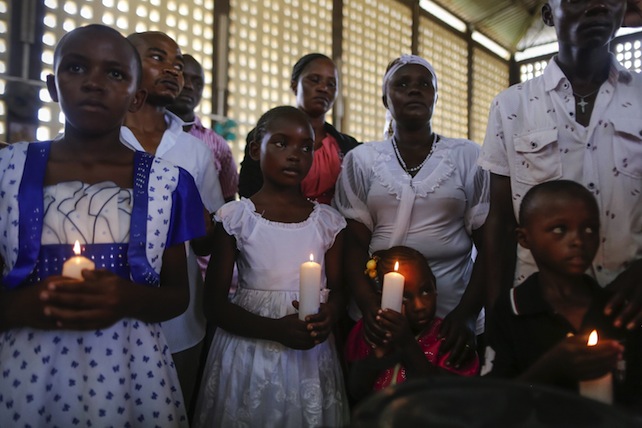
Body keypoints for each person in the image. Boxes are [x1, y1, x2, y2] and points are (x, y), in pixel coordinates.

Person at [0, 24, 206, 425]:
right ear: (52, 86)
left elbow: (178, 296)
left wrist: (126, 297)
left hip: (133, 368)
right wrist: (21, 305)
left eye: (115, 74)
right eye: (76, 68)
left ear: (136, 96)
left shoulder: (169, 182)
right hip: (28, 366)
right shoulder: (7, 171)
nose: (94, 83)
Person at [479, 0, 642, 331]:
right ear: (549, 14)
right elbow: (498, 222)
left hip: (631, 307)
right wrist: (497, 317)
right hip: (540, 314)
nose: (597, 6)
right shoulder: (512, 105)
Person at [193, 106, 349, 427]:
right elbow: (214, 305)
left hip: (311, 355)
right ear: (255, 150)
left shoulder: (329, 223)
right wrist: (275, 330)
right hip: (248, 352)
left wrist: (330, 314)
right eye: (281, 143)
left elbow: (340, 290)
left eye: (306, 147)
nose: (295, 155)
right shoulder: (236, 218)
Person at [333, 55, 489, 364]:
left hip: (451, 315)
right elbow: (353, 245)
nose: (414, 90)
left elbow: (489, 246)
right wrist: (368, 307)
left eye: (424, 84)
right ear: (385, 98)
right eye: (402, 84)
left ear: (435, 96)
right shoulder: (361, 160)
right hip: (381, 313)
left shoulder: (467, 156)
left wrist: (468, 314)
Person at [123, 31, 225, 415]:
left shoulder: (194, 149)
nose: (173, 68)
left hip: (181, 320)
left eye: (177, 63)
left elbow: (205, 243)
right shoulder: (99, 137)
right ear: (125, 65)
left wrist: (200, 218)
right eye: (158, 57)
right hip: (114, 311)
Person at [484, 180, 642, 411]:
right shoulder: (512, 310)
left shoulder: (617, 309)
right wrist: (552, 367)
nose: (578, 240)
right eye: (560, 229)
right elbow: (494, 402)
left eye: (590, 229)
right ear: (524, 239)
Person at [346, 246, 480, 402]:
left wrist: (407, 343)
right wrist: (378, 353)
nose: (419, 306)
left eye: (425, 291)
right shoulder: (370, 331)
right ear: (383, 298)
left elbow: (442, 398)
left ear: (435, 285)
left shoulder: (446, 337)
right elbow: (356, 391)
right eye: (404, 297)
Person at [238, 53, 359, 205]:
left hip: (333, 226)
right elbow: (248, 190)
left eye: (331, 84)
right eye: (314, 80)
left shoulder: (349, 147)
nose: (323, 88)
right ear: (295, 85)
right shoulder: (264, 136)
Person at [168, 54, 238, 203]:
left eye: (197, 83)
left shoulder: (218, 145)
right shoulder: (145, 133)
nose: (189, 86)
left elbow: (228, 202)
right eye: (183, 77)